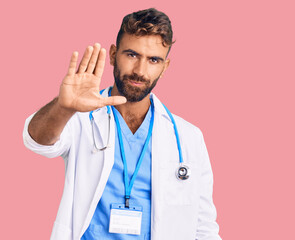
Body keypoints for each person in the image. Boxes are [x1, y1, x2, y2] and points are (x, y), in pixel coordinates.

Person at [23, 8, 221, 240]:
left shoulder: (188, 137)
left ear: (164, 67)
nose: (140, 71)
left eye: (153, 60)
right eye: (132, 55)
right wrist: (64, 108)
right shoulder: (81, 117)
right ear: (114, 54)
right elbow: (36, 141)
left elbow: (204, 226)